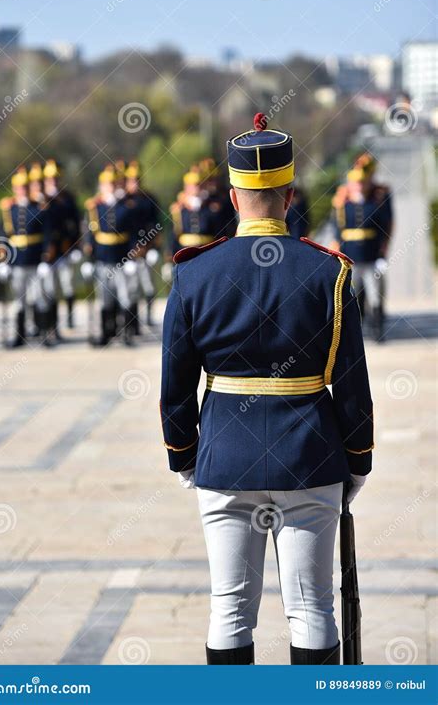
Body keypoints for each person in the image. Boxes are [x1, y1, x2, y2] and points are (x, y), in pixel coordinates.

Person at [160, 113, 374, 665]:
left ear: (233, 197)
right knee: (312, 608)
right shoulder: (329, 273)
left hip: (225, 459)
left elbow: (176, 384)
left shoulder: (194, 273)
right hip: (310, 458)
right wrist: (356, 462)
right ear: (288, 193)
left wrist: (185, 456)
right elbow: (351, 384)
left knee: (229, 608)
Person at [331, 153, 392, 341]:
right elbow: (337, 229)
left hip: (372, 255)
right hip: (351, 256)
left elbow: (385, 228)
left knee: (376, 295)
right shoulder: (343, 203)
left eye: (362, 182)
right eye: (356, 183)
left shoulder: (376, 202)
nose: (359, 185)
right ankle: (356, 330)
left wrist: (383, 253)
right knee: (353, 296)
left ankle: (377, 329)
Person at [0, 166, 55, 347]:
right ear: (15, 189)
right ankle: (20, 335)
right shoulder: (10, 210)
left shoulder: (38, 209)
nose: (22, 191)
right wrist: (2, 261)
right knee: (19, 300)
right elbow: (3, 236)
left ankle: (44, 333)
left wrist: (46, 259)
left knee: (40, 298)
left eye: (25, 188)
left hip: (36, 260)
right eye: (19, 188)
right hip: (17, 261)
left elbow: (47, 235)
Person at [83, 166, 136, 346]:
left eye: (113, 184)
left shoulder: (126, 207)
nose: (110, 187)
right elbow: (90, 235)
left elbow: (132, 234)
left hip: (122, 258)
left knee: (125, 296)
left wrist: (132, 257)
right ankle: (107, 332)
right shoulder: (94, 207)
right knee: (105, 298)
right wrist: (88, 260)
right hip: (102, 258)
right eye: (107, 184)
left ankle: (126, 333)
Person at [43, 159, 81, 329]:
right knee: (50, 291)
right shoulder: (40, 199)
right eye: (50, 179)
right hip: (48, 252)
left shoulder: (67, 198)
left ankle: (70, 319)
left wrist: (76, 246)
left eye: (56, 179)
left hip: (65, 249)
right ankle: (52, 326)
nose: (54, 182)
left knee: (68, 287)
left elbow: (75, 223)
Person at [124, 160, 161, 330]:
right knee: (131, 290)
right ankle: (133, 323)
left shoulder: (149, 199)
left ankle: (149, 316)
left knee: (148, 287)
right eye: (132, 180)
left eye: (137, 179)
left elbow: (156, 224)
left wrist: (154, 248)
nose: (135, 183)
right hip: (129, 251)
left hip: (146, 248)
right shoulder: (123, 200)